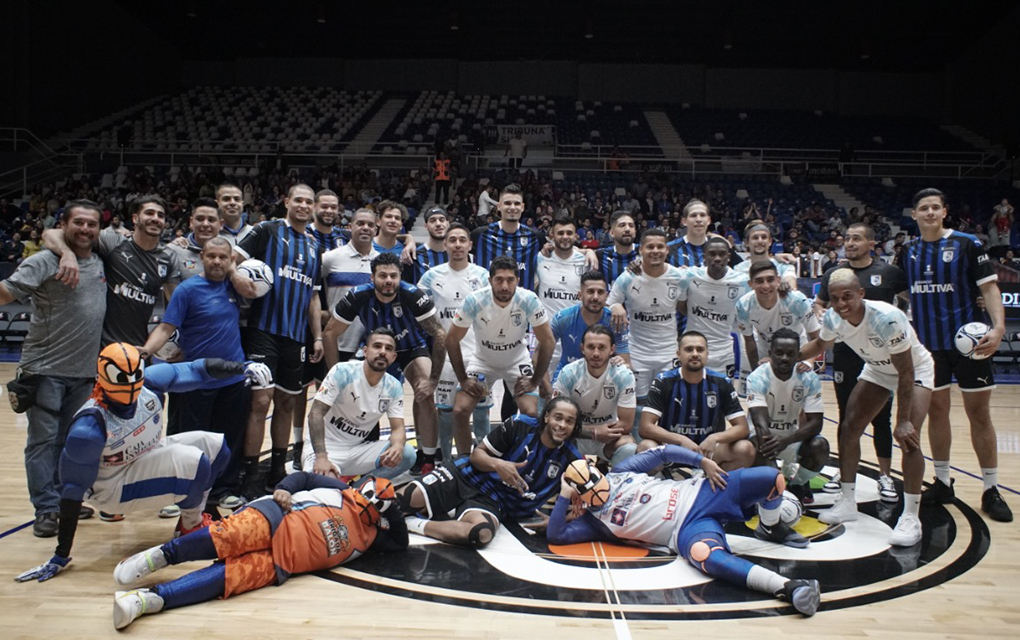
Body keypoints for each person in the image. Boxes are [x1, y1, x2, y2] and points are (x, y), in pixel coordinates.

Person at [14, 343, 265, 583]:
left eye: (134, 376)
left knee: (216, 446)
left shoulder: (151, 383)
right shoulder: (88, 429)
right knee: (194, 462)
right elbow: (71, 491)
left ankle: (191, 519)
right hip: (111, 488)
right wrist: (60, 554)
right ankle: (192, 527)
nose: (131, 385)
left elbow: (196, 369)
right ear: (104, 379)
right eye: (123, 379)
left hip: (143, 456)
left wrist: (240, 367)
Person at [109, 473, 407, 630]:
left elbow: (401, 543)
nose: (373, 499)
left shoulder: (372, 538)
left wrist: (395, 509)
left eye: (381, 502)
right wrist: (284, 488)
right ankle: (157, 556)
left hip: (283, 563)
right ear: (360, 485)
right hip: (276, 517)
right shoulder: (339, 489)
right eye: (372, 491)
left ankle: (146, 601)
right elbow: (303, 478)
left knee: (227, 580)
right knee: (225, 536)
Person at [547, 448, 820, 615]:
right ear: (577, 496)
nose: (595, 488)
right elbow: (556, 535)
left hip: (703, 491)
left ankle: (769, 527)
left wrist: (702, 462)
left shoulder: (622, 471)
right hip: (686, 529)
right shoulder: (593, 523)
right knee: (705, 555)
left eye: (593, 478)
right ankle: (787, 587)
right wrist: (562, 495)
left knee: (772, 479)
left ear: (598, 469)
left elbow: (663, 453)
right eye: (583, 488)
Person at [799, 269, 934, 546]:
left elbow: (906, 373)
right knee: (849, 427)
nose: (841, 303)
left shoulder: (887, 318)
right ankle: (847, 501)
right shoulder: (835, 318)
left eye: (847, 296)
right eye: (835, 298)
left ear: (861, 294)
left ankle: (911, 517)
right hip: (878, 369)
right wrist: (785, 357)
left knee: (909, 438)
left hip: (915, 371)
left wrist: (903, 420)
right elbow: (821, 344)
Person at [902, 188, 1012, 522]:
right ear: (915, 214)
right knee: (937, 412)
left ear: (945, 211)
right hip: (929, 348)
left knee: (979, 414)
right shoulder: (907, 251)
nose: (930, 213)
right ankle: (944, 481)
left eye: (936, 207)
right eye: (924, 208)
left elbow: (989, 288)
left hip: (970, 344)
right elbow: (902, 294)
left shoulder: (967, 244)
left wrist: (998, 327)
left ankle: (991, 488)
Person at [0, 201, 106, 537]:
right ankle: (45, 508)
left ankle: (63, 500)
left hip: (84, 371)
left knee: (69, 441)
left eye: (92, 224)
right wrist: (63, 252)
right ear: (64, 225)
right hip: (45, 369)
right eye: (79, 223)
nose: (86, 230)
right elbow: (5, 293)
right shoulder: (45, 260)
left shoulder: (100, 259)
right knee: (42, 442)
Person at [140, 237, 261, 508]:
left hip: (232, 377)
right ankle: (181, 493)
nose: (216, 261)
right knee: (190, 439)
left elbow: (254, 290)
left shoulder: (235, 285)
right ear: (202, 258)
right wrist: (146, 352)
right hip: (194, 378)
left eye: (222, 257)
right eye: (211, 256)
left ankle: (224, 489)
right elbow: (166, 328)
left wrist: (234, 273)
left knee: (229, 438)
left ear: (230, 261)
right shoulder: (186, 290)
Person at [234, 183, 324, 497]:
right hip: (262, 331)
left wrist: (317, 337)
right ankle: (248, 473)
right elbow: (233, 259)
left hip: (295, 337)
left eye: (308, 201)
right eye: (298, 200)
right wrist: (240, 281)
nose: (303, 205)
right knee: (260, 402)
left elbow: (314, 297)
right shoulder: (267, 230)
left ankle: (276, 469)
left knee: (287, 403)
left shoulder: (315, 245)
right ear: (286, 202)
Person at [397, 396, 582, 548]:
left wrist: (558, 521)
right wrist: (498, 465)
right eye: (558, 417)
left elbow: (592, 505)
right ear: (547, 417)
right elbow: (477, 456)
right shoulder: (520, 426)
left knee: (480, 534)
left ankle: (411, 524)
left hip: (495, 501)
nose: (563, 425)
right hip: (466, 476)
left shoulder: (574, 461)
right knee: (398, 501)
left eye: (569, 421)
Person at [323, 252, 447, 474]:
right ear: (372, 278)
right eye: (382, 276)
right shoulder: (358, 295)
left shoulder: (412, 295)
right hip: (378, 350)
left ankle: (427, 458)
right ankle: (360, 448)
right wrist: (335, 373)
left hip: (410, 348)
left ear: (400, 277)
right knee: (356, 395)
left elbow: (439, 334)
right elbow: (330, 333)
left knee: (425, 393)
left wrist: (434, 380)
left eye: (393, 276)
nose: (388, 281)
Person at [814, 222, 908, 503]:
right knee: (847, 416)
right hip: (846, 352)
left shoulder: (889, 272)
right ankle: (845, 474)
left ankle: (885, 475)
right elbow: (819, 303)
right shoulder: (834, 273)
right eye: (847, 239)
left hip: (882, 356)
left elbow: (907, 300)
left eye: (856, 238)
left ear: (871, 243)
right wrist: (821, 315)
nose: (850, 243)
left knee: (882, 417)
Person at [445, 256, 555, 455]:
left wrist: (535, 380)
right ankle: (463, 463)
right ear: (490, 281)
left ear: (517, 281)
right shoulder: (475, 300)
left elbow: (548, 341)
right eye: (499, 280)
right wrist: (463, 378)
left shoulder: (528, 299)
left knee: (531, 413)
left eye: (510, 280)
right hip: (482, 362)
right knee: (460, 411)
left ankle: (524, 457)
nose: (505, 286)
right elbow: (451, 339)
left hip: (517, 361)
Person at [42, 195, 181, 349]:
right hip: (100, 346)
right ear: (135, 218)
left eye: (160, 215)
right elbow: (50, 234)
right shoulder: (113, 242)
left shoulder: (168, 257)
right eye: (149, 213)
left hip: (138, 348)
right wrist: (66, 253)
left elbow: (176, 306)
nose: (155, 218)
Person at [417, 223, 493, 459]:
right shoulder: (430, 277)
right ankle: (448, 462)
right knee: (447, 412)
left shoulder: (483, 275)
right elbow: (420, 314)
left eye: (462, 240)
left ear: (470, 245)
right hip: (447, 358)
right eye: (453, 240)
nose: (457, 244)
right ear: (445, 244)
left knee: (481, 410)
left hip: (479, 354)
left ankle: (483, 458)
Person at [304, 329, 415, 479]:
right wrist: (321, 456)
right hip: (325, 448)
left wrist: (397, 445)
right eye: (377, 346)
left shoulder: (393, 386)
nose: (382, 352)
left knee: (407, 454)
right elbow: (315, 414)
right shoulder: (342, 371)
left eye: (388, 348)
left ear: (393, 357)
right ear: (365, 351)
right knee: (324, 485)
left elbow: (398, 428)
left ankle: (360, 490)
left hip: (357, 450)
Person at [638, 332, 755, 471]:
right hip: (672, 450)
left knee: (745, 449)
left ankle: (715, 484)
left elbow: (742, 428)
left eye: (700, 349)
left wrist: (715, 438)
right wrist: (681, 440)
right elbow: (645, 427)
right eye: (688, 349)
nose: (695, 354)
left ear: (707, 354)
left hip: (708, 452)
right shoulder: (663, 381)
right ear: (678, 354)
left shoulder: (721, 382)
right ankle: (660, 486)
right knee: (646, 448)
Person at [291, 188, 347, 471]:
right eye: (323, 206)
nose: (328, 211)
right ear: (315, 207)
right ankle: (297, 443)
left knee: (330, 388)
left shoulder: (342, 238)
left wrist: (408, 238)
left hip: (334, 326)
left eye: (332, 207)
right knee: (300, 389)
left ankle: (329, 442)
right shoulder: (302, 237)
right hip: (305, 323)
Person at [745, 329, 829, 505]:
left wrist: (786, 440)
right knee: (753, 449)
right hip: (761, 439)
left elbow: (816, 423)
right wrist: (774, 473)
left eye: (790, 354)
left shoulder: (809, 379)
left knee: (819, 446)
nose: (784, 358)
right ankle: (769, 483)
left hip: (790, 439)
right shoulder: (758, 377)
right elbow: (760, 425)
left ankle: (798, 483)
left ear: (798, 355)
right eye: (779, 353)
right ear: (770, 354)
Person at [607, 228, 686, 404]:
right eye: (650, 247)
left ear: (667, 249)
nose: (655, 251)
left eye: (660, 246)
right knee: (638, 406)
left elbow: (685, 306)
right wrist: (616, 305)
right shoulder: (628, 277)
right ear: (640, 249)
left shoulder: (679, 277)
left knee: (669, 404)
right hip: (637, 353)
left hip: (669, 353)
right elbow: (608, 304)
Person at [553, 326, 637, 466]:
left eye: (602, 347)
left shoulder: (623, 375)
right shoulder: (569, 374)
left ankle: (614, 480)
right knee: (552, 437)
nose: (596, 353)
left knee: (629, 447)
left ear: (612, 349)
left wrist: (602, 433)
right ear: (582, 348)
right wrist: (593, 433)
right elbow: (555, 419)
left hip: (607, 437)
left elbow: (626, 425)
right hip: (574, 435)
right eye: (591, 347)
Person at [678, 237, 750, 378]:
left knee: (721, 398)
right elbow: (680, 304)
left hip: (723, 353)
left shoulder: (742, 281)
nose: (717, 258)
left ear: (728, 257)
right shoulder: (690, 275)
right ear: (705, 257)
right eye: (712, 254)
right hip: (692, 350)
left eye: (722, 254)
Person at [736, 260, 820, 371]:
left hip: (799, 355)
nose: (765, 286)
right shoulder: (744, 306)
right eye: (759, 281)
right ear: (750, 284)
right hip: (765, 357)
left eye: (770, 280)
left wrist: (808, 361)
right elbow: (749, 341)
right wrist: (755, 371)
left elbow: (817, 338)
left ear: (778, 280)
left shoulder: (797, 301)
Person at [320, 208, 378, 364]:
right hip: (336, 342)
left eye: (370, 225)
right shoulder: (330, 258)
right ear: (350, 227)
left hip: (370, 345)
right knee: (330, 387)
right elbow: (307, 289)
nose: (365, 227)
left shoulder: (382, 263)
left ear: (375, 230)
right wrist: (320, 314)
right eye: (360, 223)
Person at [549, 270, 630, 381]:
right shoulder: (563, 318)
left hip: (603, 382)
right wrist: (545, 385)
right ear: (580, 295)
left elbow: (626, 364)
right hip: (566, 380)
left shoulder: (615, 321)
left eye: (600, 292)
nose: (595, 297)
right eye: (590, 291)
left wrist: (621, 363)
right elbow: (540, 353)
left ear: (607, 296)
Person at [536, 214, 588, 365]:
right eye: (560, 233)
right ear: (552, 235)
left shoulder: (586, 260)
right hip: (546, 336)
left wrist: (589, 251)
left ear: (576, 235)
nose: (565, 237)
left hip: (577, 338)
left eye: (569, 233)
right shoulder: (540, 258)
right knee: (544, 386)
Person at [165, 198, 222, 281]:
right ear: (191, 222)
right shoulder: (173, 251)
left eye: (211, 220)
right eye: (200, 219)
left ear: (221, 224)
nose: (205, 224)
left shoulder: (231, 251)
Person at [403, 205, 449, 285]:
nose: (438, 224)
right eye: (432, 220)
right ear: (426, 226)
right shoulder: (414, 256)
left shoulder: (456, 254)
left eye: (442, 220)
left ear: (448, 224)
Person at [594, 211, 639, 289]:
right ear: (611, 233)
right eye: (622, 225)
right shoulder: (601, 255)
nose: (627, 229)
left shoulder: (646, 252)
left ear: (635, 232)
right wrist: (588, 251)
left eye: (631, 226)